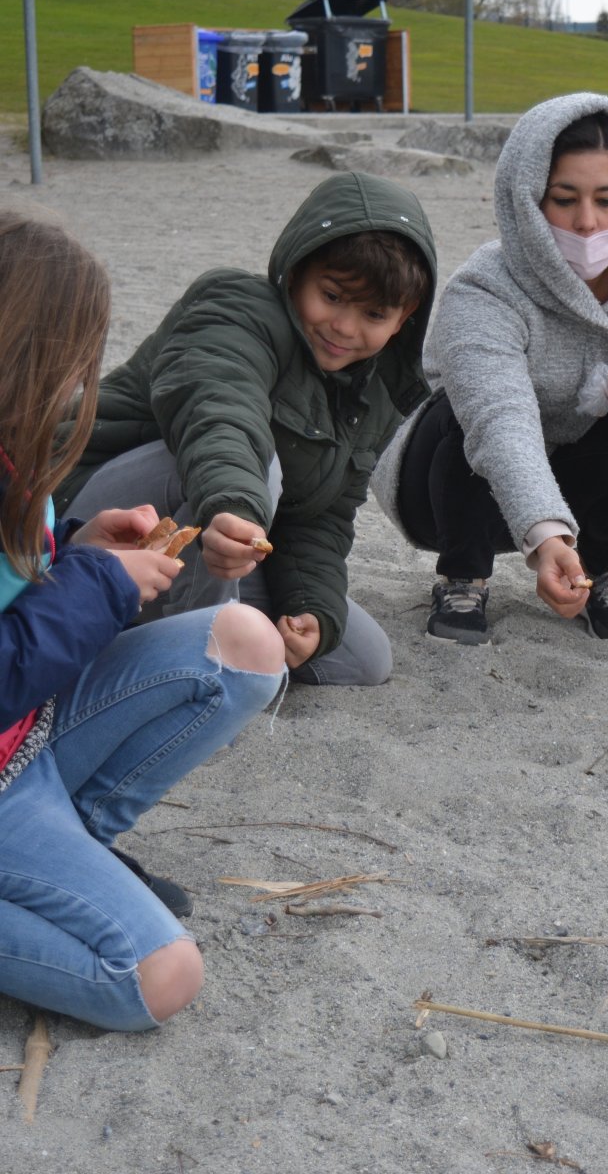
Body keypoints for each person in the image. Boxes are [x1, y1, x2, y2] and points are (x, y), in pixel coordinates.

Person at [0, 214, 286, 1032]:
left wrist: (75, 552)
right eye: (75, 361)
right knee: (157, 977)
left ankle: (76, 849)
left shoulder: (19, 458)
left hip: (27, 736)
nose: (81, 384)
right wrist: (96, 584)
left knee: (244, 645)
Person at [55, 173, 436, 688]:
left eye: (373, 313)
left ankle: (141, 637)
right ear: (297, 271)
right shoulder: (236, 306)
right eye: (331, 295)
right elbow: (218, 412)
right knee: (261, 466)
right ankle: (183, 668)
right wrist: (235, 508)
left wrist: (311, 612)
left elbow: (321, 519)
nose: (345, 327)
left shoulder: (374, 394)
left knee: (360, 657)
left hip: (214, 539)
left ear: (403, 317)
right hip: (83, 516)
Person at [373, 92, 608, 645]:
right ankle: (464, 574)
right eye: (563, 199)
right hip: (446, 485)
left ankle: (593, 569)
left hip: (579, 462)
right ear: (529, 197)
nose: (585, 222)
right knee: (465, 416)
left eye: (607, 199)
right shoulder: (486, 283)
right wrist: (546, 534)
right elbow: (499, 418)